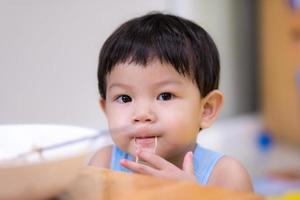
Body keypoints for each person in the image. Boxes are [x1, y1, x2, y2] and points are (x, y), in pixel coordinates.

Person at [89, 12, 253, 192]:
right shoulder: (103, 163)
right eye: (124, 98)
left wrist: (193, 195)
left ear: (206, 109)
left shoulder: (226, 175)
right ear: (106, 110)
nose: (142, 114)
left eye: (165, 96)